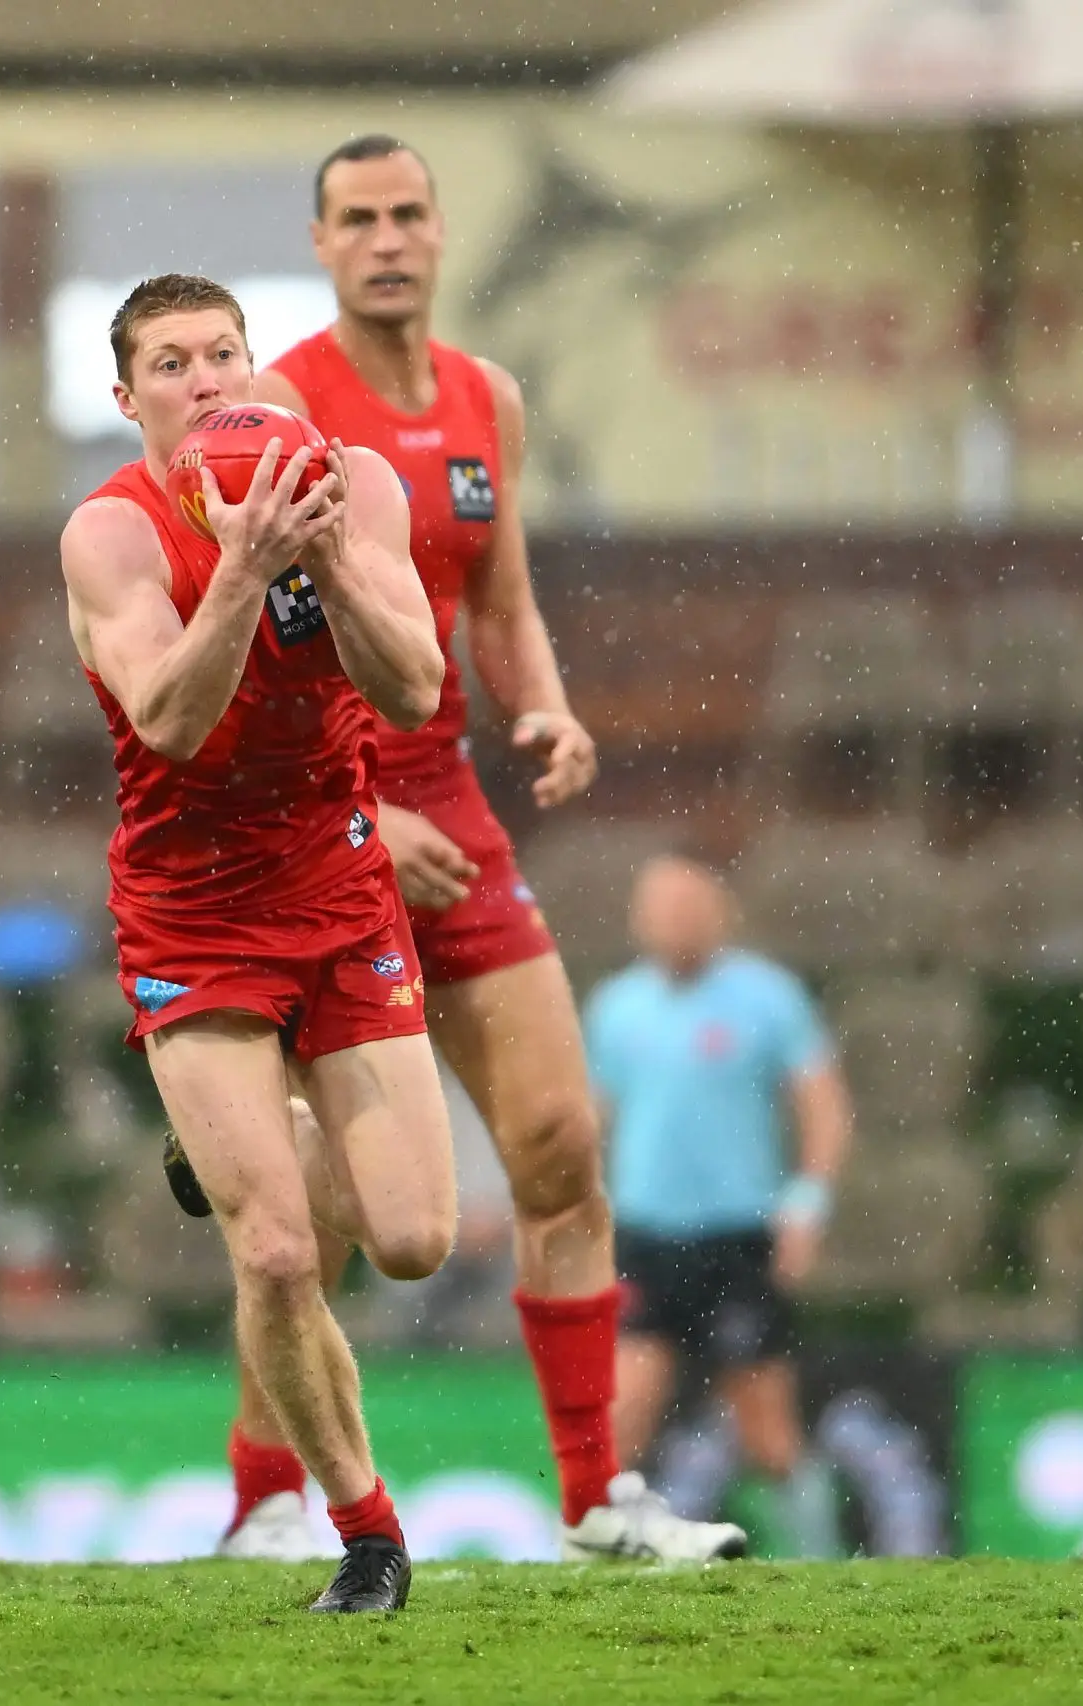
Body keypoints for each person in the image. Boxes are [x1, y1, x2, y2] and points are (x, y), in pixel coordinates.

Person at [174, 132, 744, 1566]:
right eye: (357, 217)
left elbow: (499, 602)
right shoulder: (282, 403)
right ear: (320, 242)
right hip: (325, 818)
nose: (387, 238)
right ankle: (266, 1502)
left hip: (458, 815)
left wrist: (542, 703)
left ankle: (599, 1495)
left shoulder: (490, 395)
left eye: (409, 212)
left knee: (561, 1144)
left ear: (441, 230)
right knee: (318, 1207)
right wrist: (381, 806)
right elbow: (242, 654)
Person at [60, 272, 453, 1613]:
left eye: (224, 352)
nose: (207, 379)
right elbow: (167, 719)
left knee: (410, 1238)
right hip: (193, 909)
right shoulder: (108, 539)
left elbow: (413, 686)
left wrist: (324, 546)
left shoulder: (359, 488)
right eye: (170, 363)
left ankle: (248, 1106)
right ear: (129, 402)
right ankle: (366, 1531)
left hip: (338, 893)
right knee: (278, 1252)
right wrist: (242, 561)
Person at [588, 856, 853, 1559]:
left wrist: (808, 1203)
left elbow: (823, 1105)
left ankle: (820, 1564)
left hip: (737, 1238)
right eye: (660, 906)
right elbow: (591, 1119)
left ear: (720, 913)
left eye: (689, 905)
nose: (674, 920)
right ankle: (603, 1550)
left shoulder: (769, 998)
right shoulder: (616, 1008)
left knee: (767, 1431)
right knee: (623, 1412)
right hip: (646, 1237)